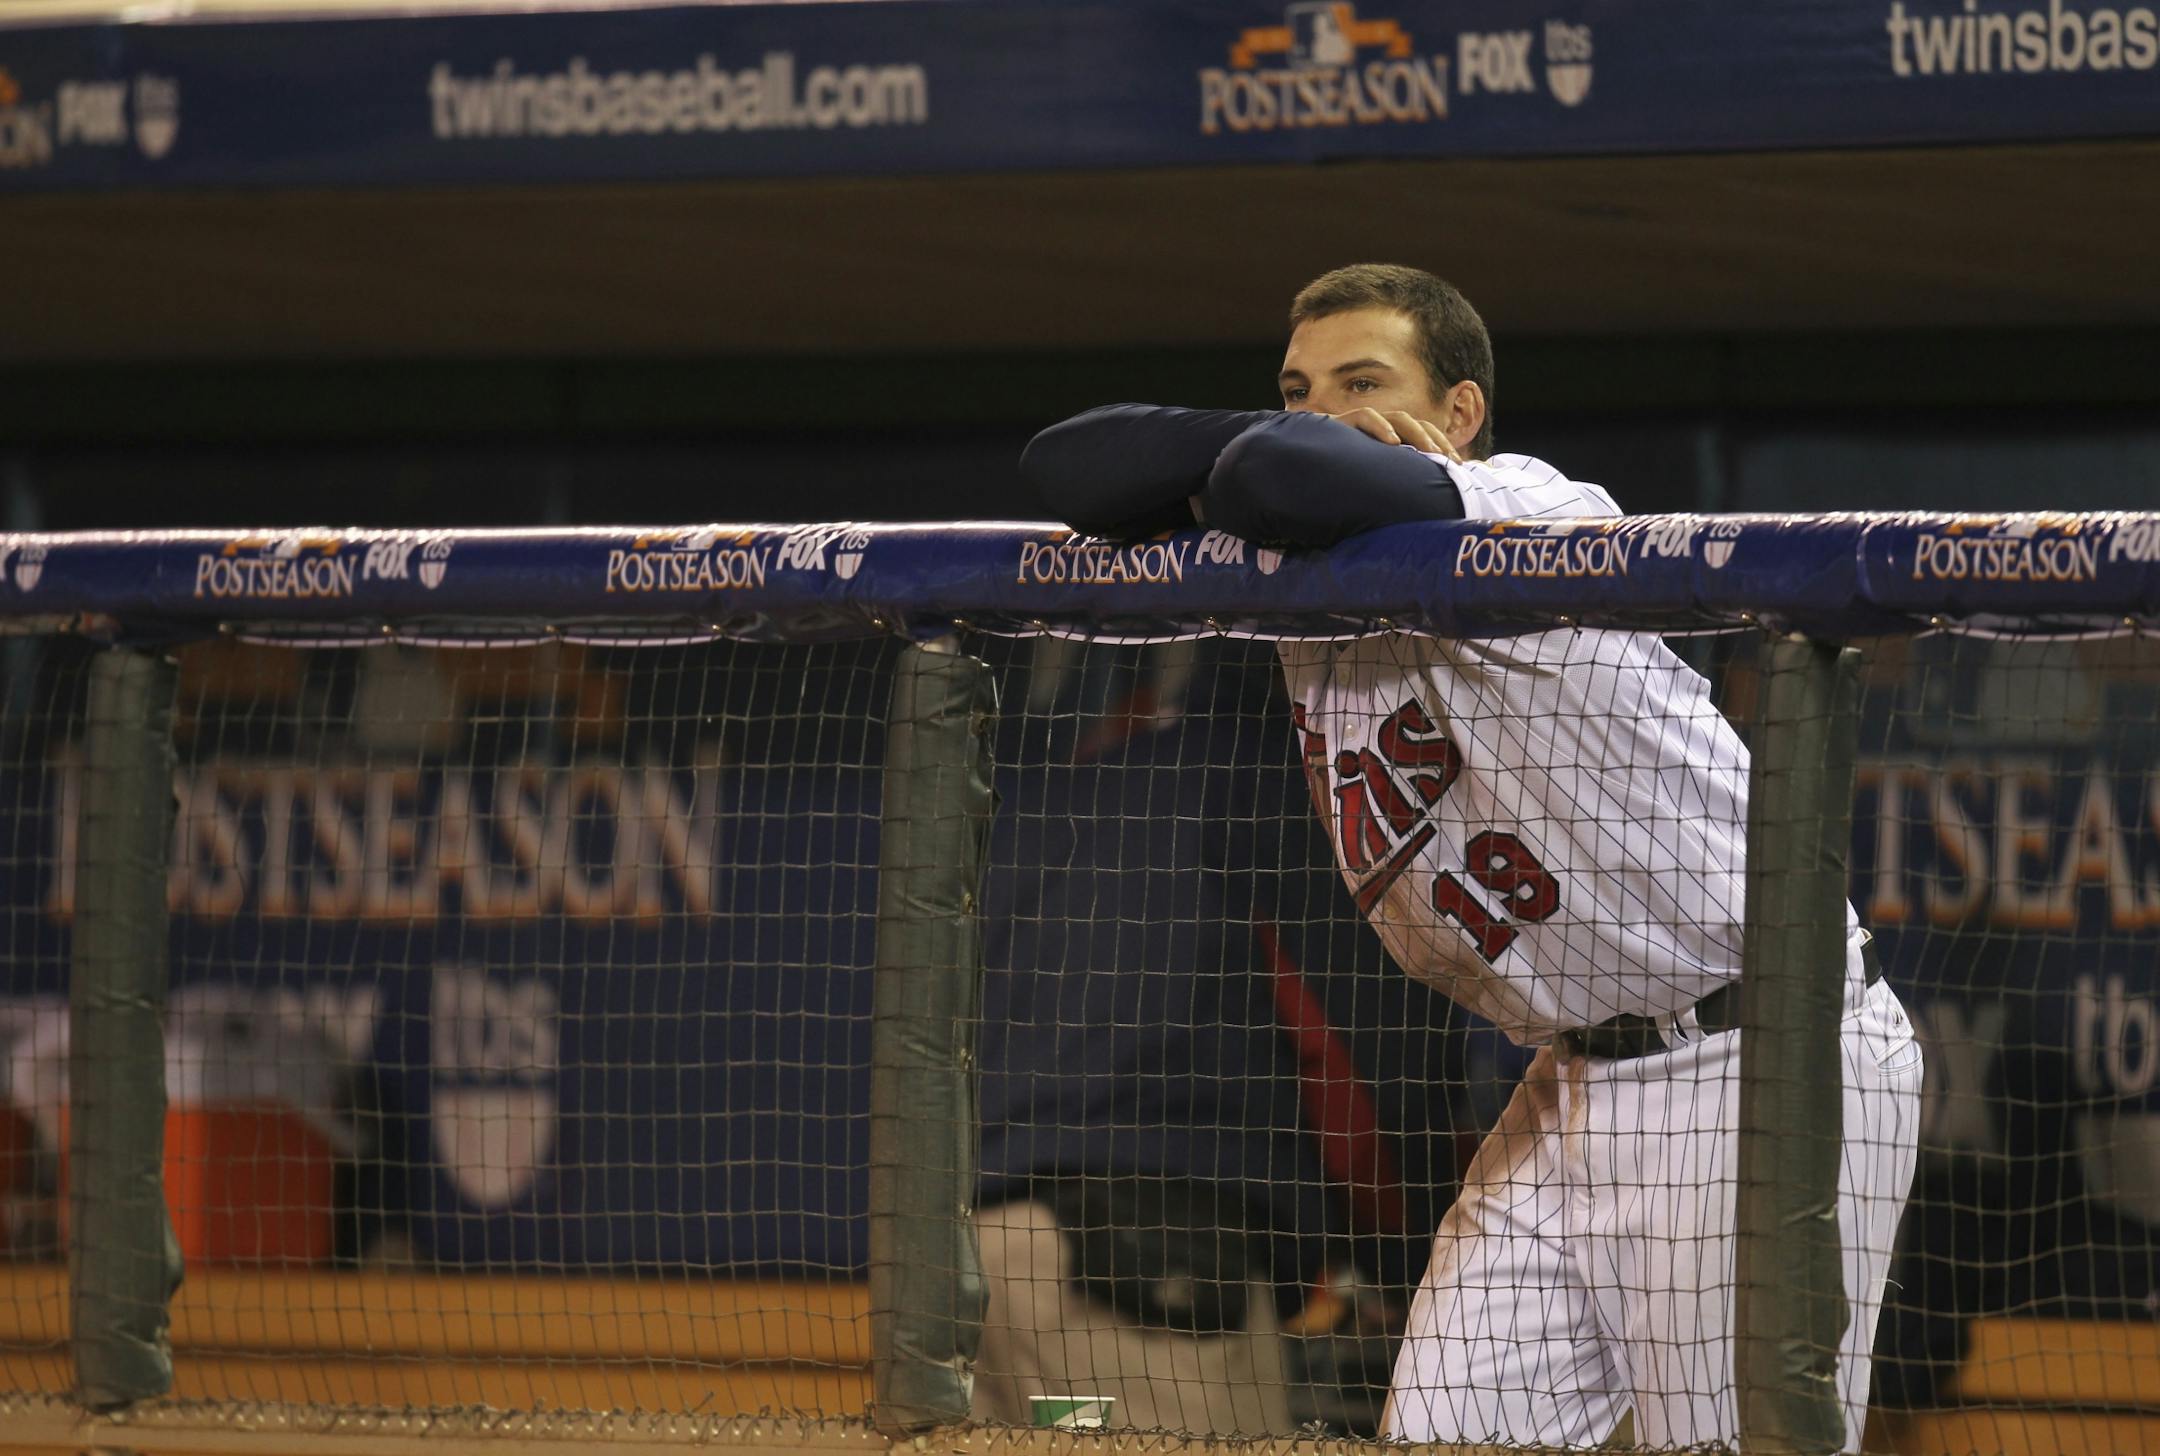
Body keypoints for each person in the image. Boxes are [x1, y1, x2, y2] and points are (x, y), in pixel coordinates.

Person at [1016, 262, 1925, 1452]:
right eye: (1295, 385)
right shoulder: (1306, 560)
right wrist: (1264, 446)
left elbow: (1279, 471)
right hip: (1567, 1084)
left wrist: (1270, 454)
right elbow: (1066, 464)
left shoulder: (1525, 503)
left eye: (1361, 381)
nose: (1317, 409)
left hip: (1759, 1058)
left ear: (1456, 412)